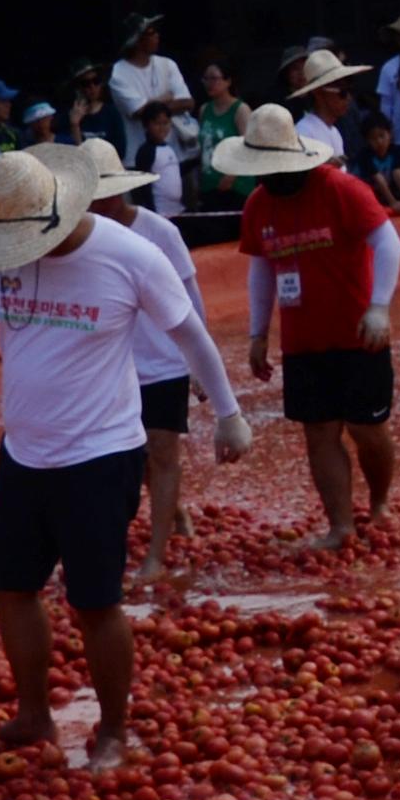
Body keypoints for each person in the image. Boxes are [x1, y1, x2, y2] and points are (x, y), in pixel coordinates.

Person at [0, 146, 249, 770]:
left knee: (95, 602)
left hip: (101, 455)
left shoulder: (131, 257)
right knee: (11, 589)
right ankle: (35, 713)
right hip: (24, 454)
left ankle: (115, 730)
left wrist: (228, 415)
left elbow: (190, 333)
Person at [221, 103, 400, 551]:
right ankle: (340, 525)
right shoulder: (258, 205)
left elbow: (387, 241)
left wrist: (379, 307)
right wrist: (258, 333)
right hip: (304, 342)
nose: (266, 178)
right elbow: (262, 268)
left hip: (358, 334)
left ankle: (379, 502)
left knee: (368, 430)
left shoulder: (342, 189)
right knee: (319, 433)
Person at [77, 139, 244, 588]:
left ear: (117, 192)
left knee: (161, 451)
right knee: (136, 457)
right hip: (112, 366)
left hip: (163, 363)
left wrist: (200, 367)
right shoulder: (81, 235)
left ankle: (156, 553)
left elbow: (192, 305)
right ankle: (174, 511)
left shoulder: (158, 232)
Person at [110, 13, 194, 156]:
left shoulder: (168, 64)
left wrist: (150, 106)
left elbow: (188, 103)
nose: (157, 36)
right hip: (142, 157)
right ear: (137, 40)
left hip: (179, 153)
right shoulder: (118, 73)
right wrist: (165, 99)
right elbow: (140, 112)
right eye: (151, 32)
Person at [286, 49, 369, 163]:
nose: (348, 98)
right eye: (342, 92)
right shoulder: (304, 133)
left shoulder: (334, 132)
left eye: (350, 91)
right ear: (318, 93)